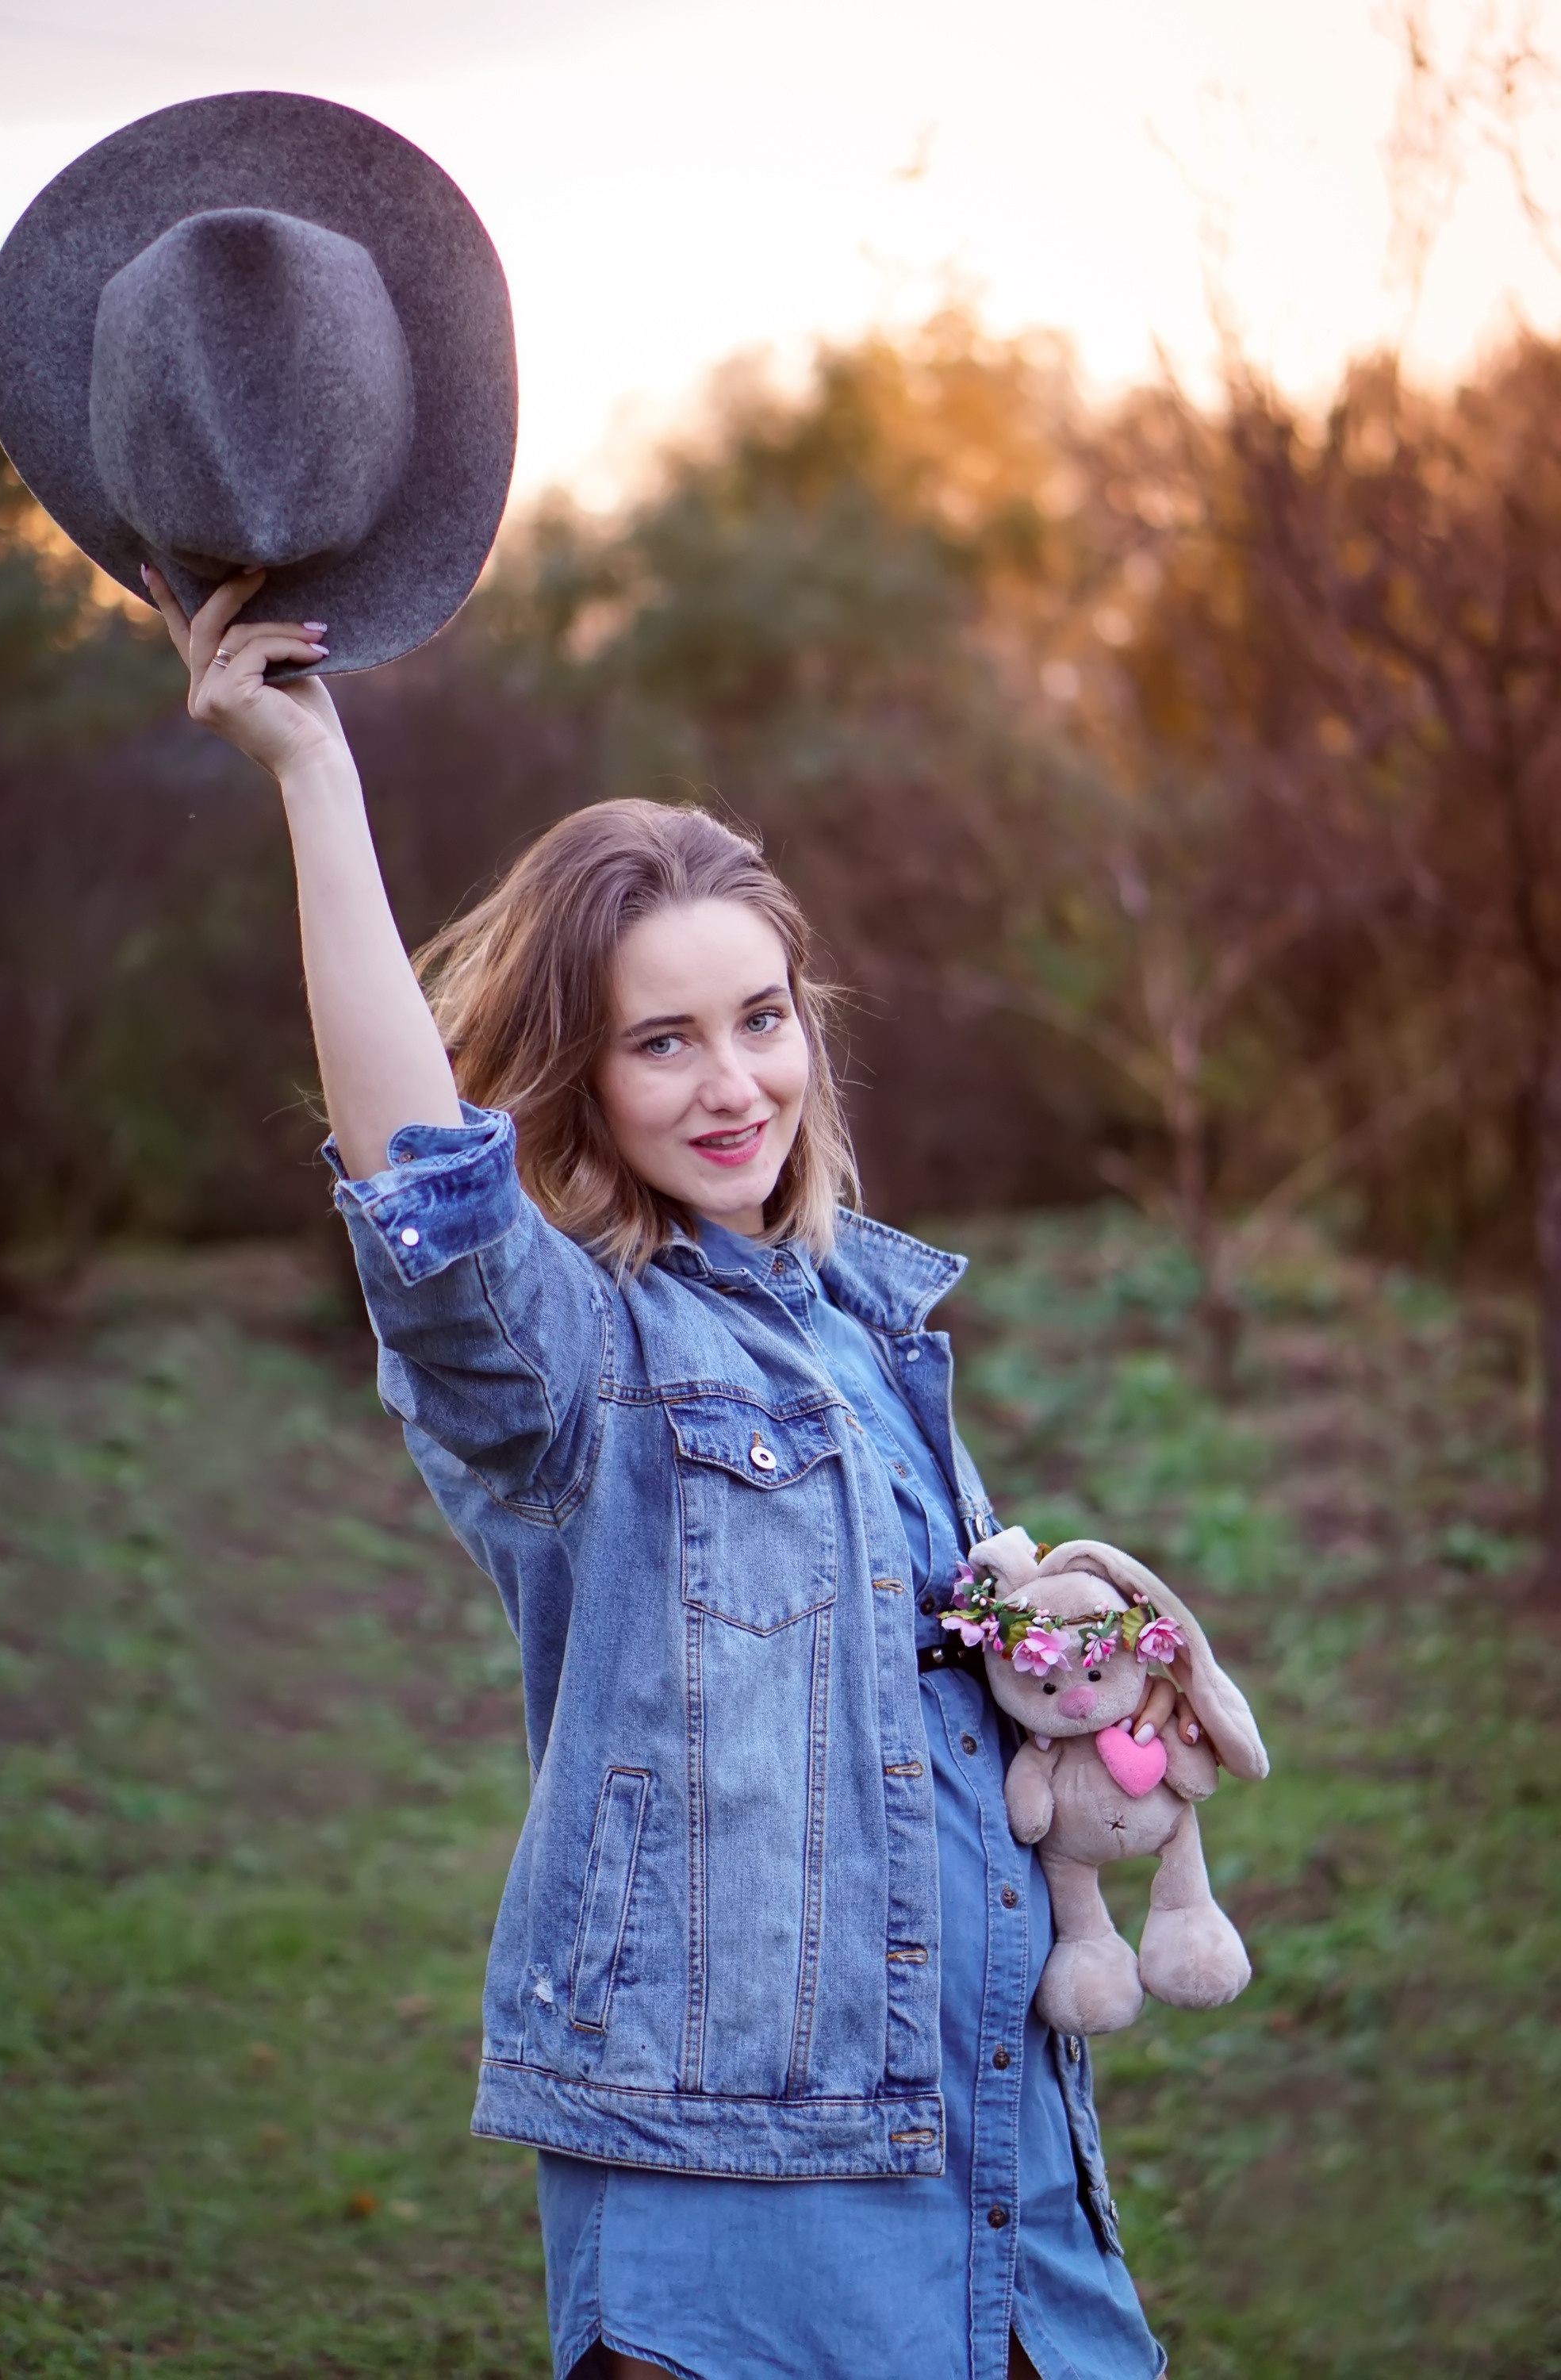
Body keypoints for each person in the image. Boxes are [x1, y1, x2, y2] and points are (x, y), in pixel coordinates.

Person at [148, 566, 1187, 2380]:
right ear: (581, 1073)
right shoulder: (582, 1360)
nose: (735, 1084)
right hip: (737, 2195)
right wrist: (318, 785)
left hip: (1009, 2180)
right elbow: (424, 1192)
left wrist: (1071, 1703)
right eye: (662, 1039)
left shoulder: (871, 1335)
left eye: (762, 1017)